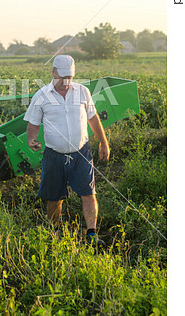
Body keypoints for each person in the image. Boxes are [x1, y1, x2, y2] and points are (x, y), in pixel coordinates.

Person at [23, 54, 110, 246]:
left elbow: (93, 119)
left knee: (88, 193)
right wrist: (32, 140)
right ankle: (55, 234)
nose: (66, 82)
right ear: (53, 72)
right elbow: (33, 125)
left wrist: (104, 143)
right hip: (54, 154)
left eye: (69, 77)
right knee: (54, 198)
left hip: (81, 152)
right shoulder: (42, 96)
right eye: (62, 77)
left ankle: (92, 234)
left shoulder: (82, 92)